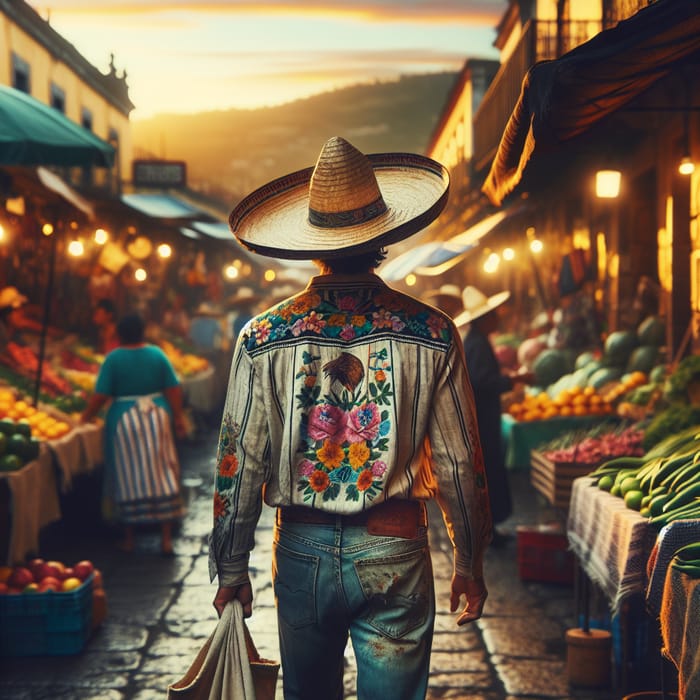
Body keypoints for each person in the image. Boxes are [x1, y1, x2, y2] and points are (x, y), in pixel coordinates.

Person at [208, 136, 492, 700]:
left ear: (311, 244)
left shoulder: (262, 337)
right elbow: (461, 463)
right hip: (395, 547)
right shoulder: (433, 333)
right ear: (385, 237)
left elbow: (238, 461)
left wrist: (231, 565)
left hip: (301, 551)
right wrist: (470, 557)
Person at [80, 313, 187, 555]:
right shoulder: (157, 354)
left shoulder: (113, 359)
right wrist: (178, 418)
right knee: (163, 471)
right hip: (158, 416)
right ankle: (166, 539)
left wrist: (85, 417)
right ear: (143, 331)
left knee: (126, 474)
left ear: (118, 335)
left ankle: (129, 539)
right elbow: (173, 388)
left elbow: (100, 395)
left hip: (123, 421)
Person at [455, 286, 534, 543]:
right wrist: (513, 380)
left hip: (484, 417)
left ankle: (490, 529)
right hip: (483, 420)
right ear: (483, 319)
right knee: (487, 473)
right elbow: (481, 381)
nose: (498, 318)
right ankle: (488, 531)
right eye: (493, 315)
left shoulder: (477, 341)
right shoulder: (476, 343)